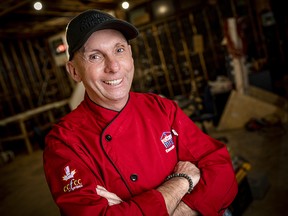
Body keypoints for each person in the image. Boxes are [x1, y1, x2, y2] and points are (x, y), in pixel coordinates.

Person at [43, 9, 238, 216]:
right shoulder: (64, 142)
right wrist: (182, 182)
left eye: (119, 50)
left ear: (131, 56)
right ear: (74, 71)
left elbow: (221, 168)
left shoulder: (161, 108)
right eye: (95, 56)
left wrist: (177, 210)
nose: (114, 66)